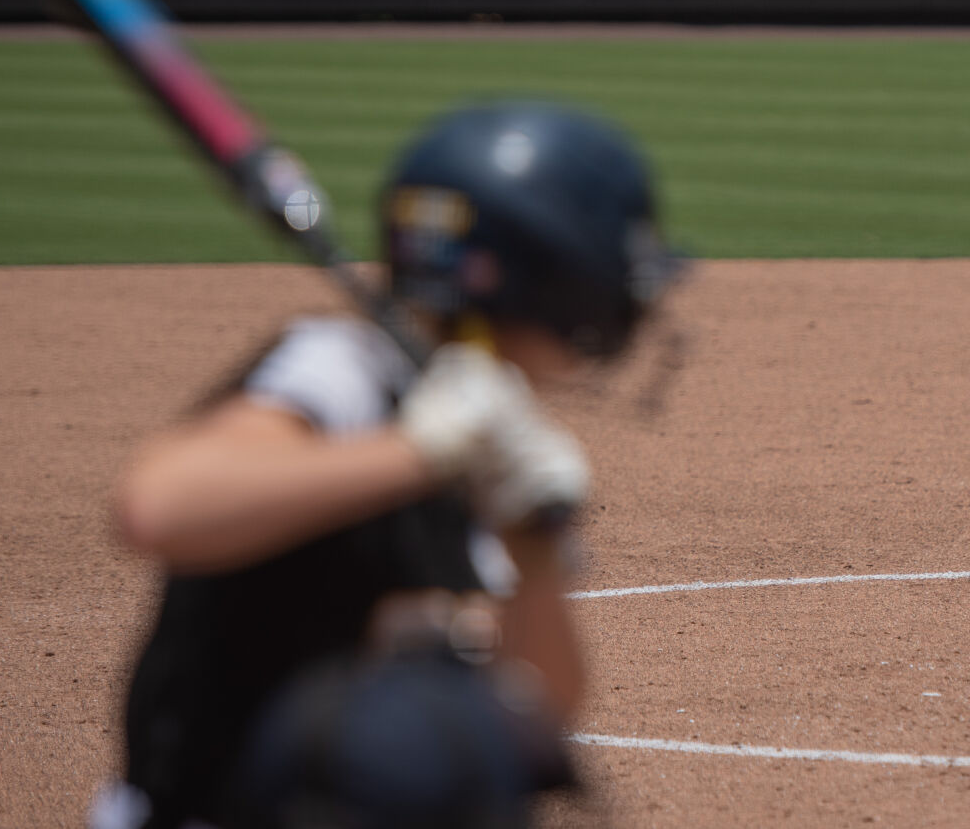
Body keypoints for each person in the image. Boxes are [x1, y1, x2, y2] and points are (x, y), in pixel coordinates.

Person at [91, 101, 683, 828]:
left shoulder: (489, 426)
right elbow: (158, 506)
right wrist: (420, 451)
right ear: (556, 280)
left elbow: (542, 703)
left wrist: (534, 552)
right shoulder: (341, 370)